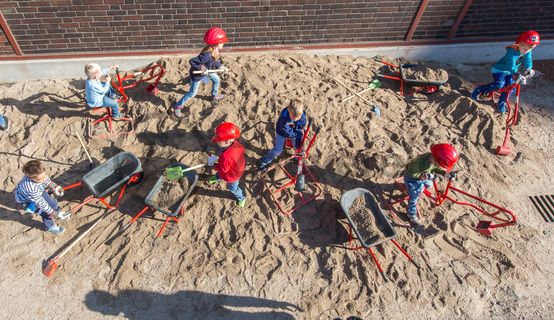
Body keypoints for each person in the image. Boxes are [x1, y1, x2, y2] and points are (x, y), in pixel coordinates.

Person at [471, 30, 540, 113]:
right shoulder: (512, 52)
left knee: (511, 88)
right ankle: (480, 90)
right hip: (500, 70)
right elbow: (510, 65)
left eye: (529, 49)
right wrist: (515, 74)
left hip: (510, 73)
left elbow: (528, 60)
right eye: (525, 49)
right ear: (519, 43)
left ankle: (501, 103)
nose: (526, 51)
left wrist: (528, 68)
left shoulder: (527, 51)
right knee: (499, 84)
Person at [173, 27, 229, 118]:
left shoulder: (214, 50)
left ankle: (214, 96)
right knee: (192, 93)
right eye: (222, 42)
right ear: (216, 43)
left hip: (207, 71)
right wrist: (201, 67)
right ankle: (177, 106)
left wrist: (221, 66)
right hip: (198, 74)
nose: (224, 43)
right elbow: (192, 61)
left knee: (216, 79)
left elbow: (213, 62)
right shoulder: (206, 55)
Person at [403, 144, 459, 226]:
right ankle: (411, 213)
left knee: (429, 185)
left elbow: (435, 168)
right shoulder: (421, 164)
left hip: (423, 176)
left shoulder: (432, 159)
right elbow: (412, 173)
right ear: (436, 160)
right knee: (415, 196)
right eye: (441, 165)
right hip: (411, 179)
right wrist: (424, 176)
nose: (441, 167)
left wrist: (445, 173)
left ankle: (420, 187)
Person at [14, 160, 70, 234]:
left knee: (53, 203)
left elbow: (46, 180)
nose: (44, 179)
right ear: (31, 178)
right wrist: (51, 212)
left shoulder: (40, 176)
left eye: (44, 175)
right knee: (45, 213)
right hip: (30, 199)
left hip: (39, 190)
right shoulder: (31, 188)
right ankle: (50, 227)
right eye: (41, 179)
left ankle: (58, 212)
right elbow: (41, 203)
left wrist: (55, 186)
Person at [258, 98, 307, 171]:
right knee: (278, 150)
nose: (296, 119)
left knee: (298, 144)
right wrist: (295, 133)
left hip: (293, 130)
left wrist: (299, 130)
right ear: (289, 110)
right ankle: (264, 160)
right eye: (293, 117)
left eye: (298, 117)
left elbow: (301, 124)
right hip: (281, 132)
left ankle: (298, 153)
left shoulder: (301, 115)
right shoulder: (284, 117)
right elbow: (286, 130)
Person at [207, 122, 247, 208]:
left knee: (232, 188)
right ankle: (217, 177)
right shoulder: (236, 144)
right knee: (220, 174)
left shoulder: (226, 156)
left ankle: (241, 198)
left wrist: (213, 165)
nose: (217, 142)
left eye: (218, 141)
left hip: (232, 176)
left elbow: (223, 169)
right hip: (237, 166)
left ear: (227, 141)